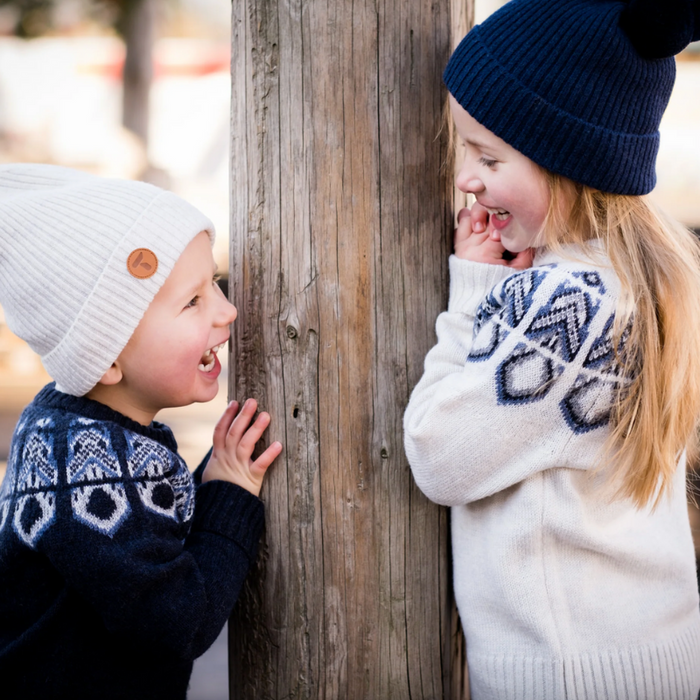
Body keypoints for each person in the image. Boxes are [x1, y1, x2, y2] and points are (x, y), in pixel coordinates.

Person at [403, 0, 700, 698]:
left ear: (569, 162)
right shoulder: (630, 283)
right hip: (637, 654)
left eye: (489, 156)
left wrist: (472, 292)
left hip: (567, 673)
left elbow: (438, 454)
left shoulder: (570, 312)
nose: (467, 178)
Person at [0, 164, 283, 699]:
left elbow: (144, 533)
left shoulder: (71, 430)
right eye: (193, 301)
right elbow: (180, 621)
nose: (229, 310)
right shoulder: (86, 470)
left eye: (214, 284)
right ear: (105, 357)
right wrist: (229, 496)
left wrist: (209, 479)